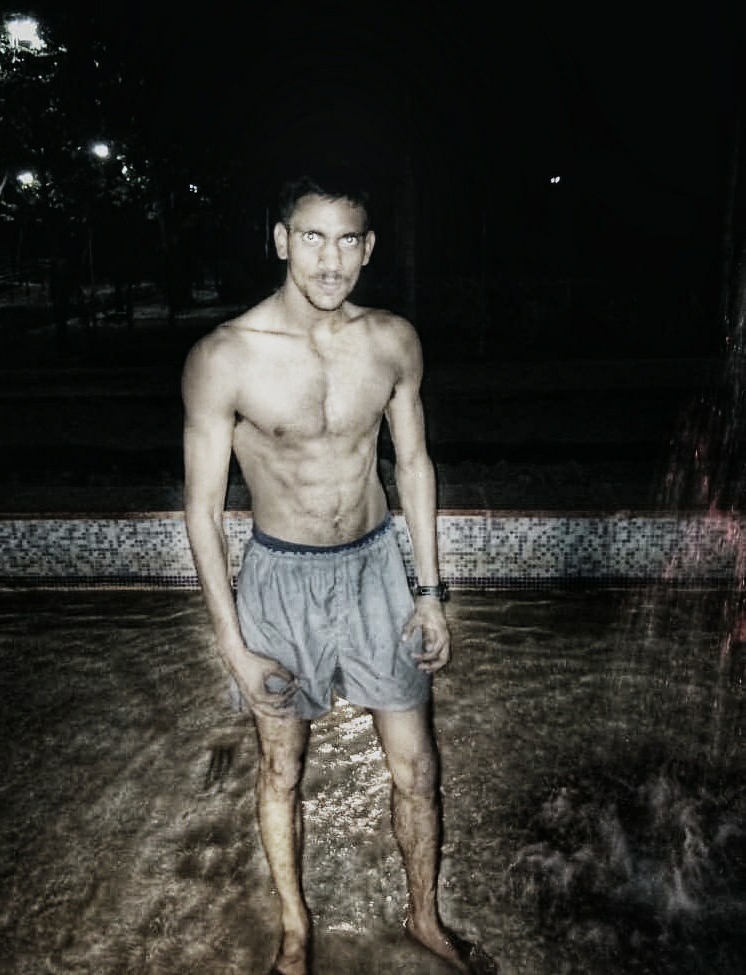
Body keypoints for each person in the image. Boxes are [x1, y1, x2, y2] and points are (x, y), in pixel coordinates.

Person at [182, 167, 495, 975]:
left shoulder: (392, 341)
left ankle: (424, 917)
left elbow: (414, 464)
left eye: (347, 240)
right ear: (281, 241)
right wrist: (234, 647)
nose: (330, 260)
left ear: (369, 247)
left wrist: (430, 592)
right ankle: (295, 930)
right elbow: (203, 511)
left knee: (417, 764)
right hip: (280, 579)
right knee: (281, 767)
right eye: (313, 238)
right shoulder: (225, 356)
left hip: (375, 571)